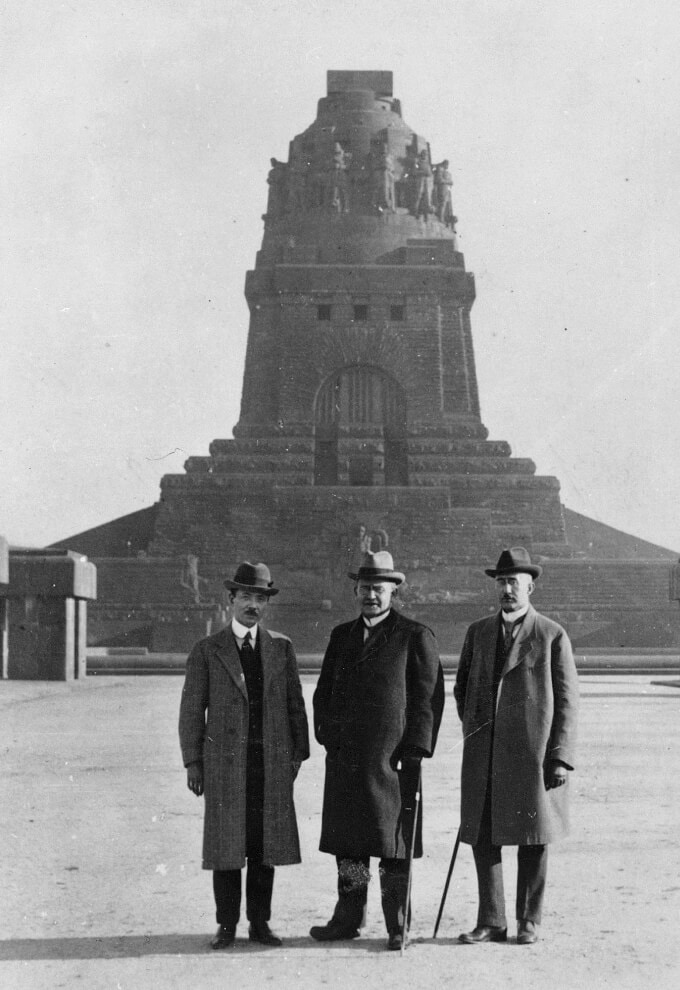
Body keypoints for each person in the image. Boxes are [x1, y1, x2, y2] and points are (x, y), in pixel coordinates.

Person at [310, 551, 444, 951]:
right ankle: (348, 918)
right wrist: (328, 736)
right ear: (355, 589)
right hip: (347, 759)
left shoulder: (414, 635)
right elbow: (323, 694)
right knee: (349, 844)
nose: (371, 595)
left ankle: (396, 923)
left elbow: (427, 700)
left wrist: (416, 751)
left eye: (379, 589)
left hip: (393, 761)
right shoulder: (341, 636)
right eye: (366, 588)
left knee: (392, 846)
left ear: (393, 591)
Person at [179, 561, 309, 949]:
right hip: (224, 766)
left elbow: (295, 705)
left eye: (260, 597)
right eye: (246, 596)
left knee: (264, 847)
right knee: (226, 847)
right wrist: (193, 762)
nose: (253, 604)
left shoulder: (281, 648)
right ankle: (226, 925)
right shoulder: (207, 650)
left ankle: (260, 923)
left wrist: (296, 755)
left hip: (269, 764)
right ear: (231, 599)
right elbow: (191, 711)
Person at [453, 547, 579, 946]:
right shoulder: (479, 632)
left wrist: (559, 756)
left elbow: (568, 700)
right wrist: (477, 729)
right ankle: (492, 920)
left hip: (533, 756)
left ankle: (529, 921)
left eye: (514, 583)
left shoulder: (551, 634)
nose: (507, 589)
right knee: (483, 836)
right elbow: (461, 688)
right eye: (502, 582)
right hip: (485, 755)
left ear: (530, 587)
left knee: (533, 836)